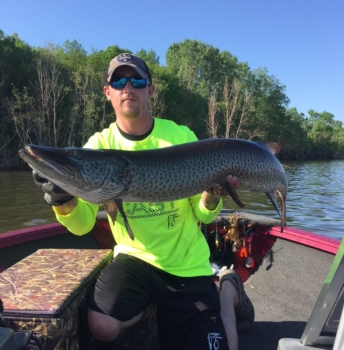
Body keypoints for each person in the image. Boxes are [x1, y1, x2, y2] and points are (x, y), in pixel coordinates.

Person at [33, 53, 254, 350]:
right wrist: (62, 199)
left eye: (137, 80)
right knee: (102, 326)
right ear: (108, 92)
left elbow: (202, 216)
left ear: (149, 90)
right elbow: (82, 224)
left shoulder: (180, 137)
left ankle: (228, 288)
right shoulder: (97, 147)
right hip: (135, 260)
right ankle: (147, 309)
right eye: (118, 81)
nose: (128, 87)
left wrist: (212, 193)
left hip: (186, 265)